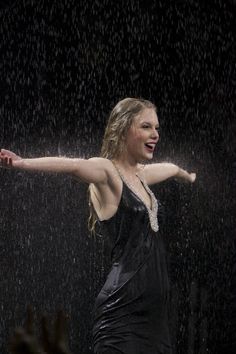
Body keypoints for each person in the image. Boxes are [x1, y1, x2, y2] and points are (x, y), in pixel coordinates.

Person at [1, 98, 196, 354]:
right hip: (122, 314)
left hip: (156, 321)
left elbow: (168, 168)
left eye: (157, 128)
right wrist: (22, 163)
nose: (155, 134)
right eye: (147, 126)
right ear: (125, 129)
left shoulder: (141, 176)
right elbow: (73, 166)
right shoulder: (108, 172)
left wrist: (187, 174)